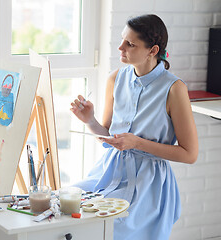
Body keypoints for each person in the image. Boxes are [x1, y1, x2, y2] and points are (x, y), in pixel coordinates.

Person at [70, 14, 198, 240]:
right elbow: (109, 139)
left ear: (152, 50)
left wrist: (137, 142)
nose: (121, 47)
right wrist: (89, 120)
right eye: (122, 40)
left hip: (148, 185)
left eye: (130, 44)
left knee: (115, 229)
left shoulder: (174, 89)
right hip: (109, 173)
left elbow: (190, 154)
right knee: (69, 206)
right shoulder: (115, 78)